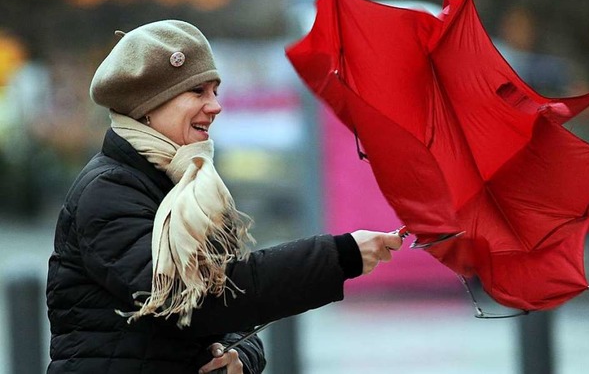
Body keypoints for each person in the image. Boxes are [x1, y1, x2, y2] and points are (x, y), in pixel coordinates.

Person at [46, 20, 403, 374]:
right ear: (148, 107)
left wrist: (239, 358)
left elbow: (235, 315)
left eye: (215, 91)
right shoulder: (109, 189)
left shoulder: (193, 185)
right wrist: (339, 256)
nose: (215, 106)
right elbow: (196, 299)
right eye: (198, 92)